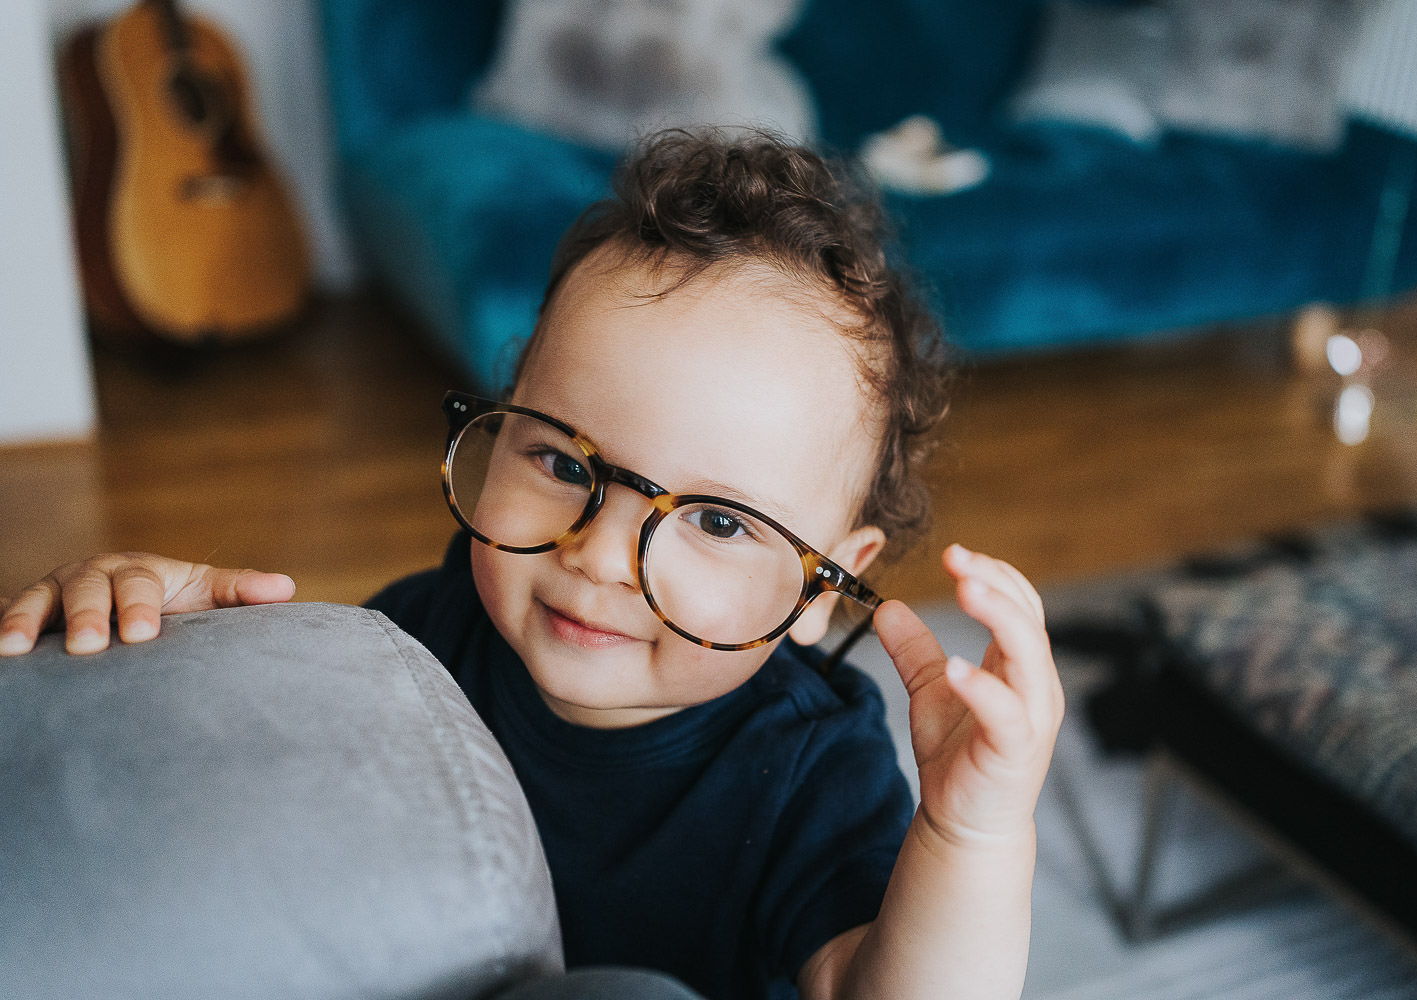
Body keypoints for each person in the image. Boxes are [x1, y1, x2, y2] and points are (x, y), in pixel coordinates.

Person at [0, 130, 1064, 1000]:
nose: (596, 555)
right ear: (503, 423)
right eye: (562, 461)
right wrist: (163, 652)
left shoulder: (813, 767)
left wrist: (970, 833)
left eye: (718, 522)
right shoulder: (426, 633)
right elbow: (272, 792)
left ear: (823, 588)